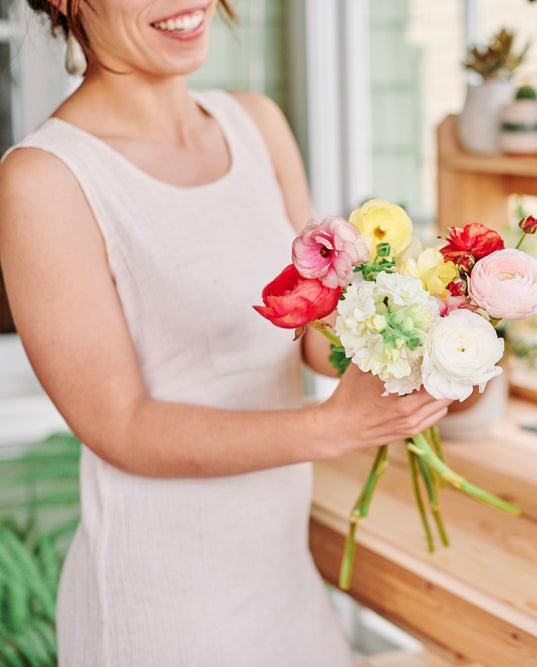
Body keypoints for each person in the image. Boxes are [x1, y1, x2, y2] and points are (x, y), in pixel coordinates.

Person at [0, 1, 452, 664]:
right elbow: (120, 425)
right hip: (160, 611)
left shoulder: (255, 124)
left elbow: (313, 337)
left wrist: (422, 335)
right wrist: (330, 429)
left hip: (285, 587)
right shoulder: (44, 179)